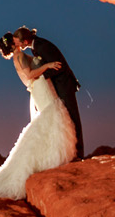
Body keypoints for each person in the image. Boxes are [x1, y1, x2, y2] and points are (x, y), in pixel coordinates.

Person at [0, 32, 78, 199]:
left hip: (39, 86)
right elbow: (30, 75)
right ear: (14, 43)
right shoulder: (20, 56)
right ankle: (49, 157)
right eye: (16, 39)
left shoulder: (19, 56)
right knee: (51, 114)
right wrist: (47, 66)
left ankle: (50, 155)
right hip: (39, 85)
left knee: (50, 116)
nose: (19, 41)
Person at [13, 26, 83, 158]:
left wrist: (43, 76)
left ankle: (78, 154)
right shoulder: (36, 46)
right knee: (65, 117)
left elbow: (59, 66)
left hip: (64, 85)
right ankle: (70, 152)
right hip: (57, 85)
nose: (17, 45)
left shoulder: (42, 46)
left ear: (25, 41)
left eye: (18, 42)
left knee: (73, 118)